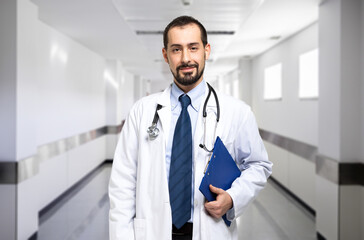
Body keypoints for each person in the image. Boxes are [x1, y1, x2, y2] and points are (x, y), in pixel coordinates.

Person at [109, 16, 272, 240]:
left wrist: (233, 198)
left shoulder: (237, 112)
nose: (186, 58)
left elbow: (258, 165)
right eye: (176, 49)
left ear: (206, 50)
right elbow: (123, 182)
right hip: (153, 232)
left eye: (193, 48)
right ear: (166, 55)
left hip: (211, 230)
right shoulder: (142, 111)